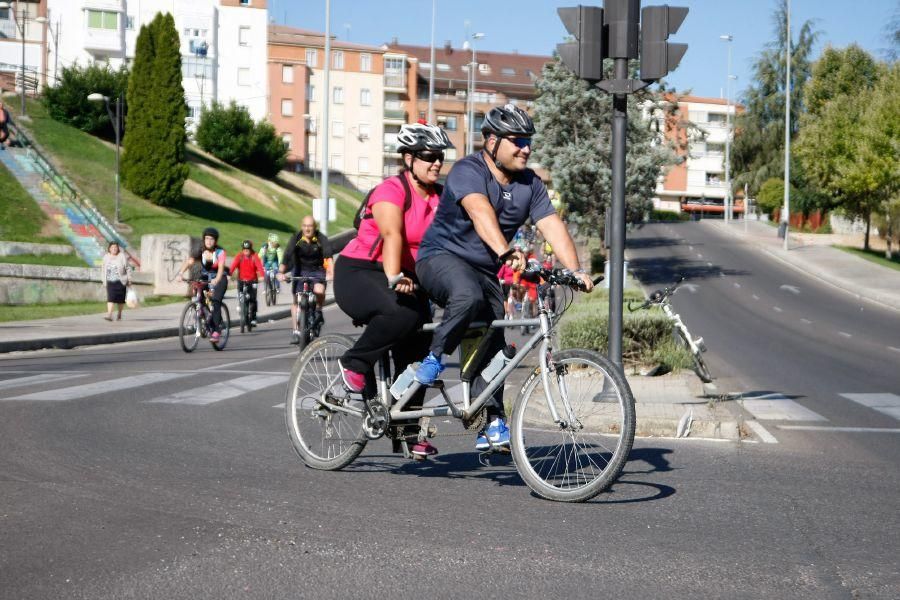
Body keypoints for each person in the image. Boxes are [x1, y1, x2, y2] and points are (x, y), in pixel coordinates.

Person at [414, 103, 594, 451]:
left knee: (494, 342)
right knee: (468, 296)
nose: (525, 147)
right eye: (517, 140)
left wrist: (575, 270)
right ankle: (434, 359)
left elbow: (552, 226)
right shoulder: (469, 170)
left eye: (528, 140)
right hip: (441, 258)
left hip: (483, 270)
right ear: (492, 141)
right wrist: (505, 252)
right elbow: (480, 212)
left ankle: (491, 422)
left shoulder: (531, 184)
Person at [334, 121, 452, 459]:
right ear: (409, 158)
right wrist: (394, 274)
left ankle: (407, 430)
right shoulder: (391, 189)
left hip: (405, 276)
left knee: (418, 349)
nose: (436, 163)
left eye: (440, 156)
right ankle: (355, 363)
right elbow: (392, 235)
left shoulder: (442, 198)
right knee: (402, 312)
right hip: (360, 271)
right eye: (429, 156)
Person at [279, 216, 331, 344]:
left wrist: (331, 272)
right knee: (297, 299)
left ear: (315, 227)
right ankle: (296, 331)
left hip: (317, 269)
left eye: (310, 226)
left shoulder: (320, 238)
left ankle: (318, 310)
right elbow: (287, 255)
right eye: (305, 226)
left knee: (319, 290)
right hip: (300, 270)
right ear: (302, 226)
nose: (307, 228)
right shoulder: (296, 238)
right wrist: (281, 272)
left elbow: (328, 256)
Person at [176, 227, 228, 342]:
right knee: (197, 294)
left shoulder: (220, 252)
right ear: (204, 239)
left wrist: (217, 279)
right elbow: (189, 262)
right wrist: (180, 274)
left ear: (216, 241)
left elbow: (220, 269)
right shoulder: (200, 250)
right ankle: (204, 315)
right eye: (207, 238)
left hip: (220, 278)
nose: (209, 241)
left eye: (211, 239)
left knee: (215, 300)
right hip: (205, 276)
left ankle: (216, 330)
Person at [230, 240, 265, 326]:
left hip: (252, 280)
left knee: (252, 299)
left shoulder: (254, 256)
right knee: (241, 296)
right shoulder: (239, 256)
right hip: (242, 280)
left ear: (251, 249)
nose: (246, 251)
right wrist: (229, 274)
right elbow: (233, 265)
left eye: (248, 250)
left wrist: (262, 275)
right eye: (244, 249)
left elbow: (259, 266)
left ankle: (253, 317)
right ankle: (241, 307)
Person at [101, 241, 131, 321]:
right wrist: (104, 280)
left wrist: (129, 279)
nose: (114, 249)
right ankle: (109, 315)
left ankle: (119, 314)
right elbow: (103, 269)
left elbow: (128, 268)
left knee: (120, 299)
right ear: (109, 249)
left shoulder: (122, 256)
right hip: (110, 281)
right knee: (110, 297)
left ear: (118, 248)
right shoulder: (106, 257)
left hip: (121, 281)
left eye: (116, 247)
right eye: (112, 247)